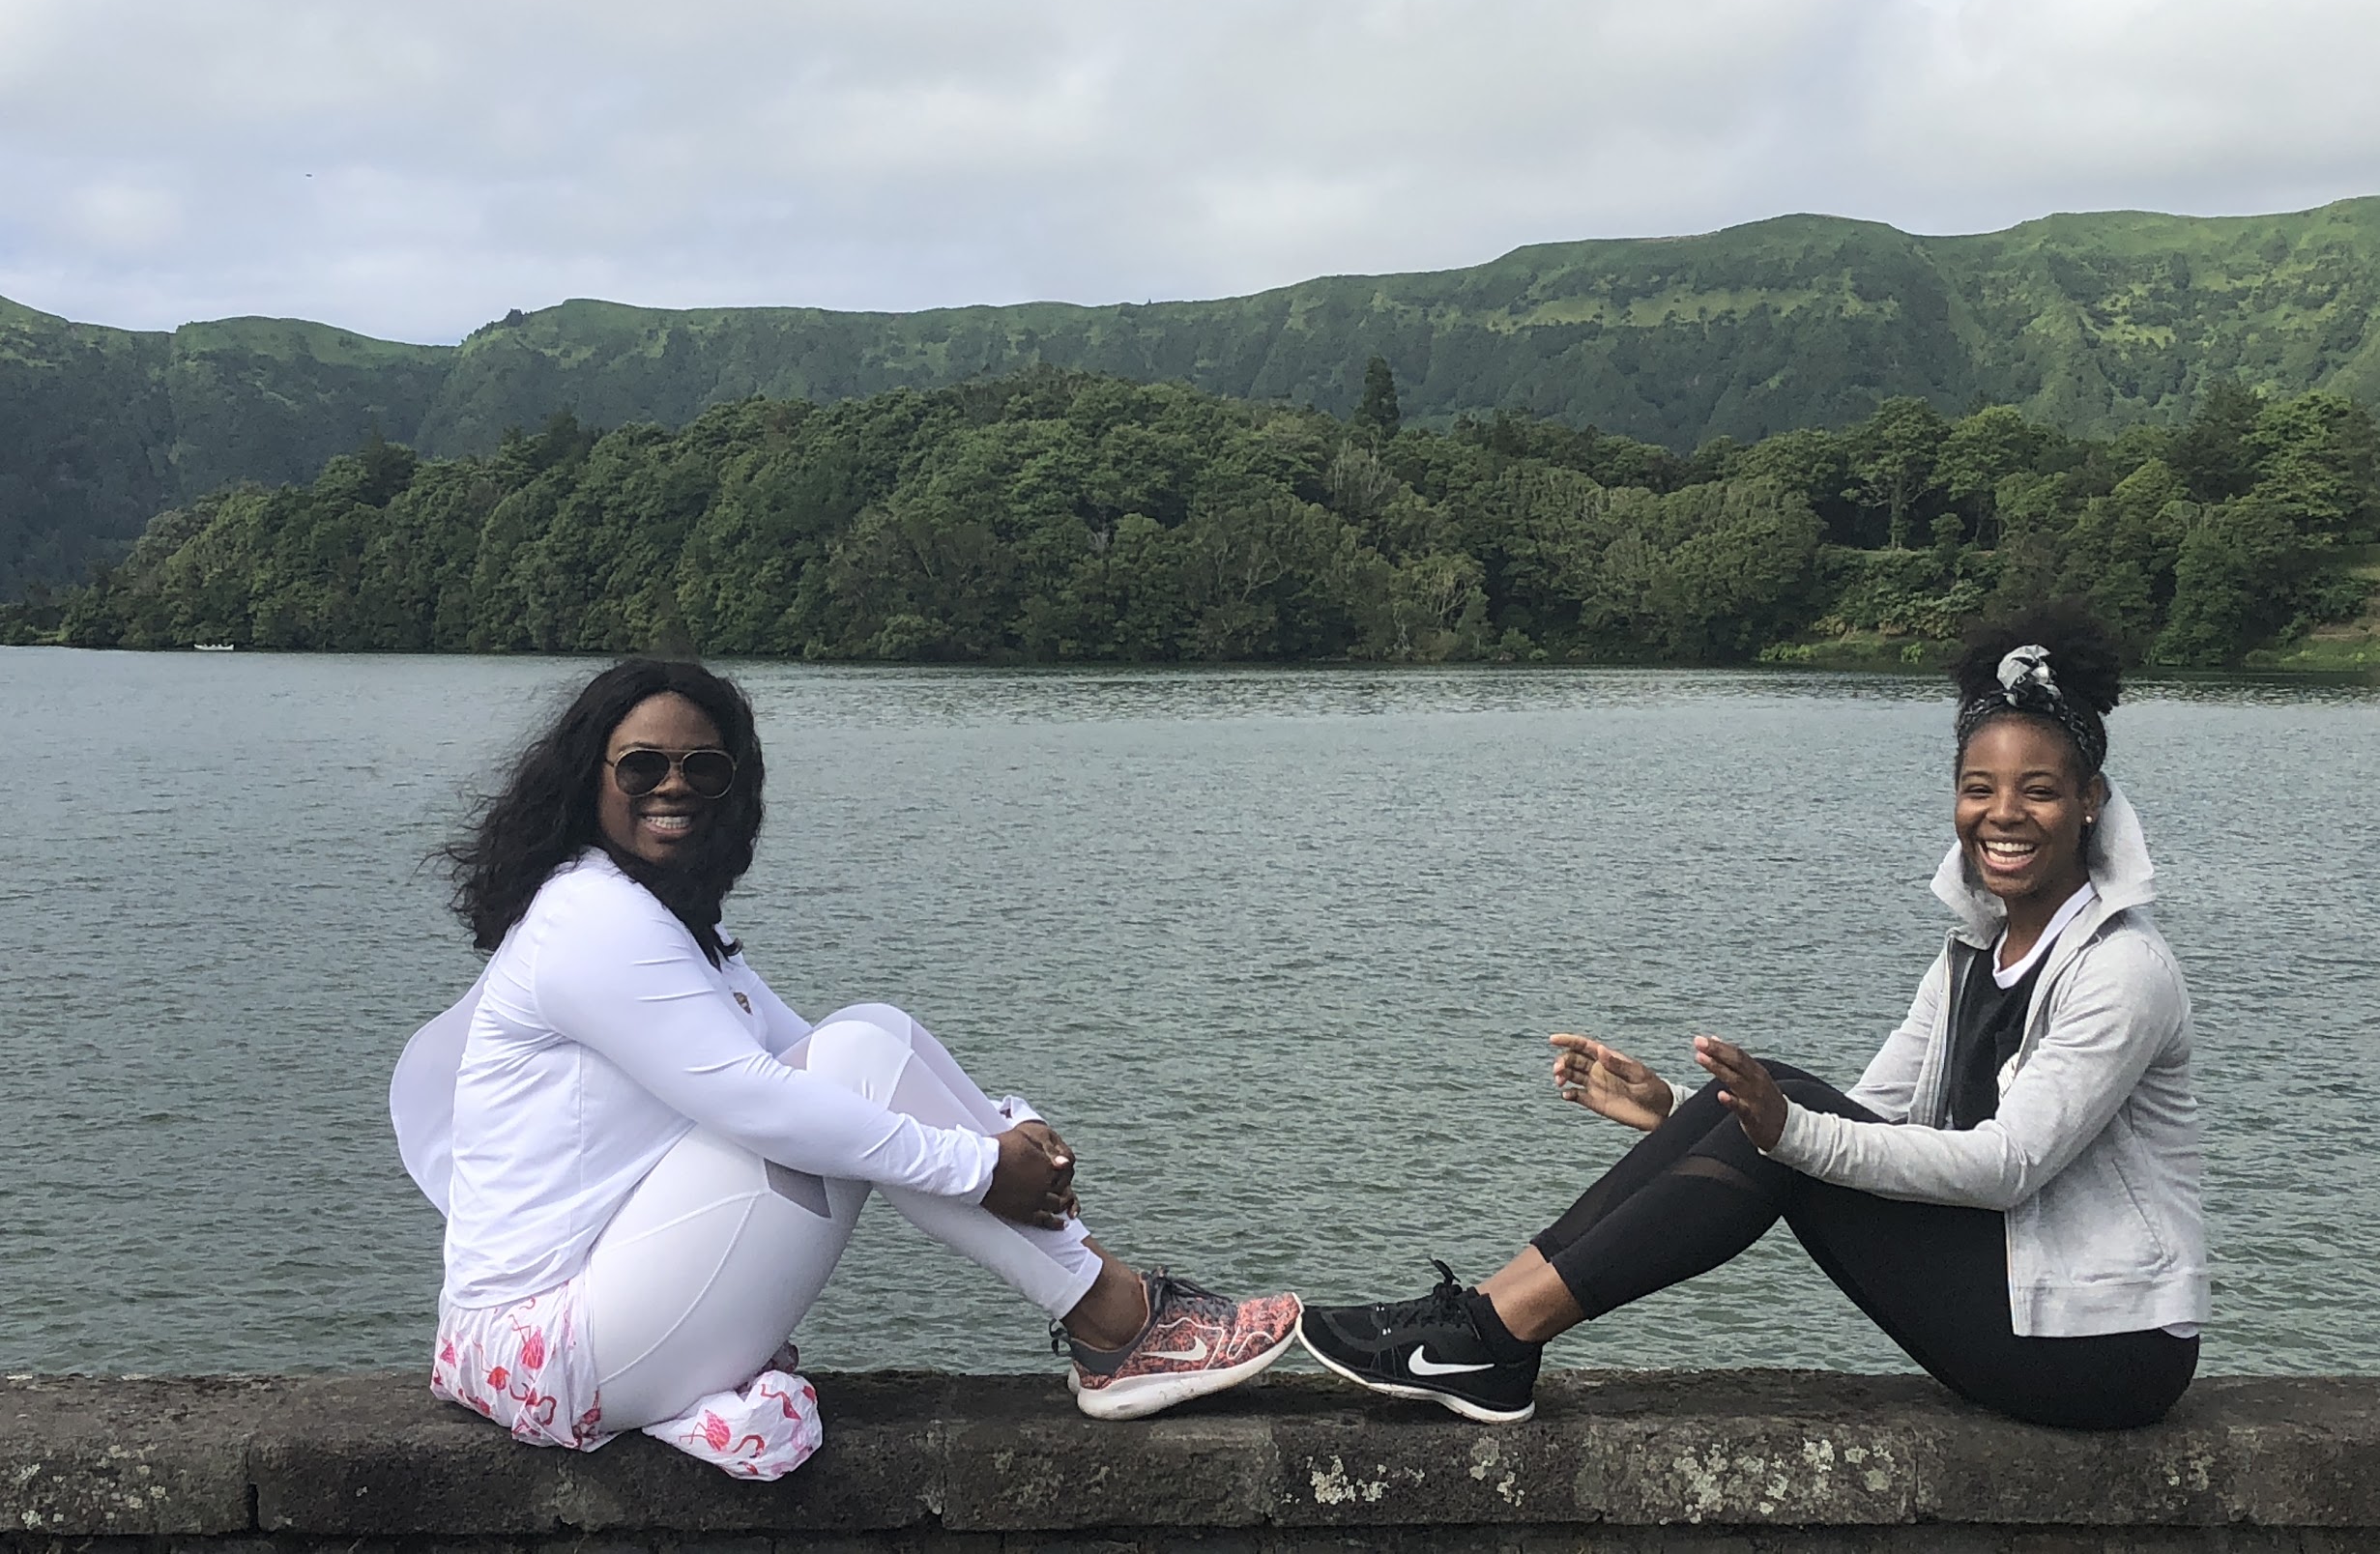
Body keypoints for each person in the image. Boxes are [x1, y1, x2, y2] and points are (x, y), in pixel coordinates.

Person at [1298, 606, 2207, 1431]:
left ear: (2091, 800)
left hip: (2104, 1348)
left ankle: (1489, 1336)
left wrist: (1774, 1130)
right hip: (2012, 1300)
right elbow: (1867, 1123)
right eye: (1979, 787)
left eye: (2038, 791)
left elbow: (2008, 1166)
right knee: (1776, 1110)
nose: (2002, 815)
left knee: (1786, 1115)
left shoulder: (2122, 970)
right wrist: (1684, 1119)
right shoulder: (1971, 955)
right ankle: (1480, 1326)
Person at [392, 658, 1298, 1480]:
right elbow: (757, 1100)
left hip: (573, 1327)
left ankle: (1122, 1316)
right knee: (860, 1059)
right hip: (545, 1350)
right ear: (590, 778)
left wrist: (1005, 1128)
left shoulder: (661, 916)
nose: (675, 786)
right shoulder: (591, 917)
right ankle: (1122, 1322)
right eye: (641, 766)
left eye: (704, 768)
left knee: (871, 1031)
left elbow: (821, 1047)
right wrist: (983, 1168)